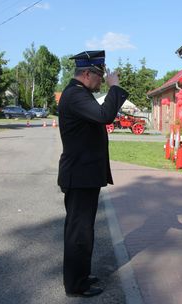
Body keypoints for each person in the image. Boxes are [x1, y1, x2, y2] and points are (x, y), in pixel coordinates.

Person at [57, 50, 128, 297]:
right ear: (87, 74)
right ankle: (76, 285)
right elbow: (104, 115)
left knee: (83, 230)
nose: (102, 80)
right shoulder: (75, 95)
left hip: (84, 174)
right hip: (80, 176)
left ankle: (81, 275)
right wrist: (115, 87)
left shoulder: (80, 94)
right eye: (99, 75)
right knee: (79, 232)